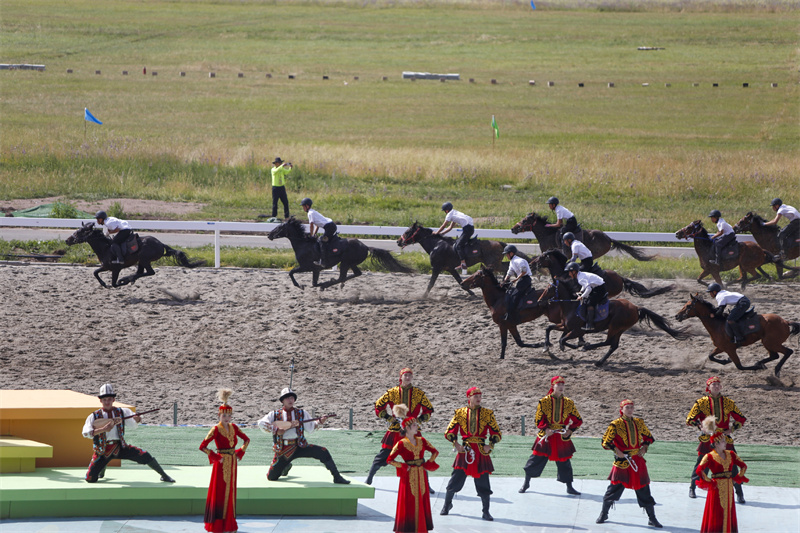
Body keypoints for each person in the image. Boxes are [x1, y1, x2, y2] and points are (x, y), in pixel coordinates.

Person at [82, 383, 175, 483]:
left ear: (113, 399)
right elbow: (86, 433)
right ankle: (102, 466)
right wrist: (103, 429)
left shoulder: (122, 412)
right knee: (90, 479)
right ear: (100, 400)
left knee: (145, 455)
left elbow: (133, 424)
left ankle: (164, 475)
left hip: (120, 447)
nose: (107, 402)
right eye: (104, 399)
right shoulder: (94, 416)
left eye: (109, 399)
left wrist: (138, 419)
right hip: (102, 451)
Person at [257, 387, 349, 484]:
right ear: (282, 401)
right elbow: (261, 423)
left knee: (323, 452)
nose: (290, 400)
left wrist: (320, 422)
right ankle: (285, 466)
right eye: (287, 398)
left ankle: (337, 477)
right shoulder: (274, 414)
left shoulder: (301, 413)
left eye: (292, 398)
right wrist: (276, 430)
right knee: (271, 477)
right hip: (283, 450)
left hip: (300, 446)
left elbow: (311, 428)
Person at [596, 399, 662, 529]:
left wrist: (644, 447)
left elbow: (649, 437)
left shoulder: (639, 422)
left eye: (632, 407)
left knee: (644, 488)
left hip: (637, 459)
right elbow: (605, 442)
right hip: (623, 461)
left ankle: (652, 518)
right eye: (627, 407)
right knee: (613, 488)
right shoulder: (615, 425)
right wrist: (616, 450)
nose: (630, 409)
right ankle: (604, 513)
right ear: (622, 409)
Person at [441, 386, 502, 522]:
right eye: (476, 396)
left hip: (481, 452)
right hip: (465, 450)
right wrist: (456, 444)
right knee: (455, 479)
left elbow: (496, 432)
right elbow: (449, 431)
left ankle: (485, 511)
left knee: (483, 482)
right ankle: (446, 505)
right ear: (469, 398)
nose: (479, 398)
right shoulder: (460, 413)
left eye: (480, 395)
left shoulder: (488, 413)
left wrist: (490, 445)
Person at [366, 368, 434, 485]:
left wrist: (419, 420)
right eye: (405, 375)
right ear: (401, 377)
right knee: (384, 454)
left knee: (418, 457)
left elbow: (428, 410)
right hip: (396, 429)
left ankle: (426, 484)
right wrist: (388, 417)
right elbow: (378, 405)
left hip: (412, 430)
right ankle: (369, 478)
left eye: (409, 375)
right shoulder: (392, 392)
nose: (407, 378)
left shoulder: (418, 394)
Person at [686, 376, 747, 504]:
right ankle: (692, 487)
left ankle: (739, 492)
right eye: (713, 385)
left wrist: (732, 429)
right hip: (708, 438)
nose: (716, 386)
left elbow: (741, 418)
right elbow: (690, 419)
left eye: (718, 384)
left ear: (721, 387)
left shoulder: (728, 402)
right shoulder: (701, 402)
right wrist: (700, 426)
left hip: (724, 438)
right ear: (708, 387)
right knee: (702, 463)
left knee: (732, 464)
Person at [519, 376, 582, 496]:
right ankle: (526, 483)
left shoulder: (569, 403)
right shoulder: (544, 401)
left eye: (563, 385)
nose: (561, 387)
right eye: (558, 384)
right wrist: (546, 428)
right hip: (547, 436)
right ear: (553, 386)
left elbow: (577, 419)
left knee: (564, 461)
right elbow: (538, 419)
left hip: (561, 436)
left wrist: (570, 430)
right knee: (535, 459)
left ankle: (569, 486)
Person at [199, 389, 250, 533]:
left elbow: (246, 439)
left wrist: (240, 451)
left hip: (232, 462)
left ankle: (229, 524)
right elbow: (202, 446)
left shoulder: (234, 427)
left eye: (229, 415)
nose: (227, 418)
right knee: (220, 491)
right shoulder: (215, 429)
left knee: (231, 491)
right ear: (219, 415)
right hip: (221, 464)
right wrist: (215, 457)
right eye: (224, 415)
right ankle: (219, 525)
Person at [386, 404, 440, 533]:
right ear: (408, 428)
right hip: (408, 476)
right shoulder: (401, 444)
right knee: (409, 500)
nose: (417, 427)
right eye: (415, 425)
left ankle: (420, 528)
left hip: (421, 474)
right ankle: (409, 528)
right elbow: (389, 460)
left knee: (421, 498)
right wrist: (403, 466)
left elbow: (435, 452)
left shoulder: (422, 440)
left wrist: (427, 464)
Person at [695, 417, 749, 533]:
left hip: (729, 487)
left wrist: (736, 478)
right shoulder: (709, 456)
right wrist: (710, 482)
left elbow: (743, 466)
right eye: (723, 441)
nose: (726, 443)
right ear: (716, 443)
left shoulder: (731, 454)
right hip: (716, 488)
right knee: (716, 511)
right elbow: (699, 470)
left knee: (728, 510)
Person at [565, 261, 607, 331]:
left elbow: (589, 289)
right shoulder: (580, 275)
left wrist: (582, 296)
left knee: (589, 303)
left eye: (569, 272)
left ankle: (590, 324)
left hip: (600, 289)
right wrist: (581, 291)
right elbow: (585, 285)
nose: (569, 274)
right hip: (596, 287)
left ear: (574, 272)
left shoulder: (580, 278)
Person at [434, 202, 473, 275]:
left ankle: (463, 264)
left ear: (446, 210)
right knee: (459, 243)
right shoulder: (454, 213)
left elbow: (443, 226)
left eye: (445, 211)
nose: (445, 212)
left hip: (467, 228)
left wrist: (437, 233)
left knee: (458, 245)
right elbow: (450, 227)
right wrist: (442, 233)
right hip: (469, 228)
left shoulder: (449, 214)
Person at [299, 198, 337, 267]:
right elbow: (317, 225)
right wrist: (314, 234)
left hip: (330, 227)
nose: (303, 208)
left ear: (307, 206)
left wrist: (311, 235)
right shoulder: (313, 212)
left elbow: (311, 225)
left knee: (321, 241)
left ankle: (323, 261)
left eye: (303, 206)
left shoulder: (310, 213)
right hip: (330, 226)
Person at [502, 244, 533, 323]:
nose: (506, 256)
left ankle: (514, 315)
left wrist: (515, 279)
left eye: (507, 254)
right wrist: (504, 281)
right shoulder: (512, 262)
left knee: (514, 296)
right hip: (521, 280)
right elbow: (509, 272)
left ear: (511, 253)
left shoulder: (520, 261)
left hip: (525, 280)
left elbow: (524, 271)